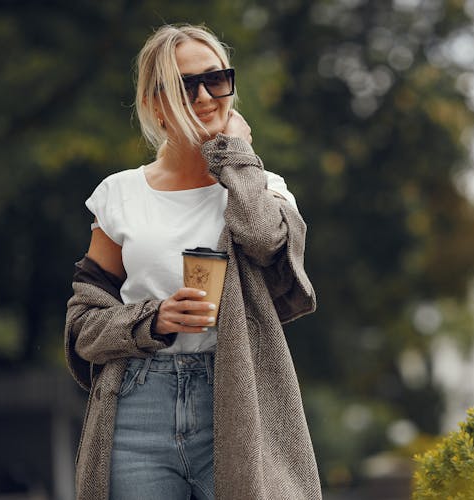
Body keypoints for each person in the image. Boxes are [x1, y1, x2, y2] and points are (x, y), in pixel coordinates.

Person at [64, 24, 320, 500]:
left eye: (216, 79)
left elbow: (264, 239)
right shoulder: (119, 195)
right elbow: (83, 325)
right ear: (156, 103)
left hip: (239, 402)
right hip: (138, 406)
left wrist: (235, 156)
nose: (205, 97)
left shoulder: (261, 187)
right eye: (186, 85)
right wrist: (153, 319)